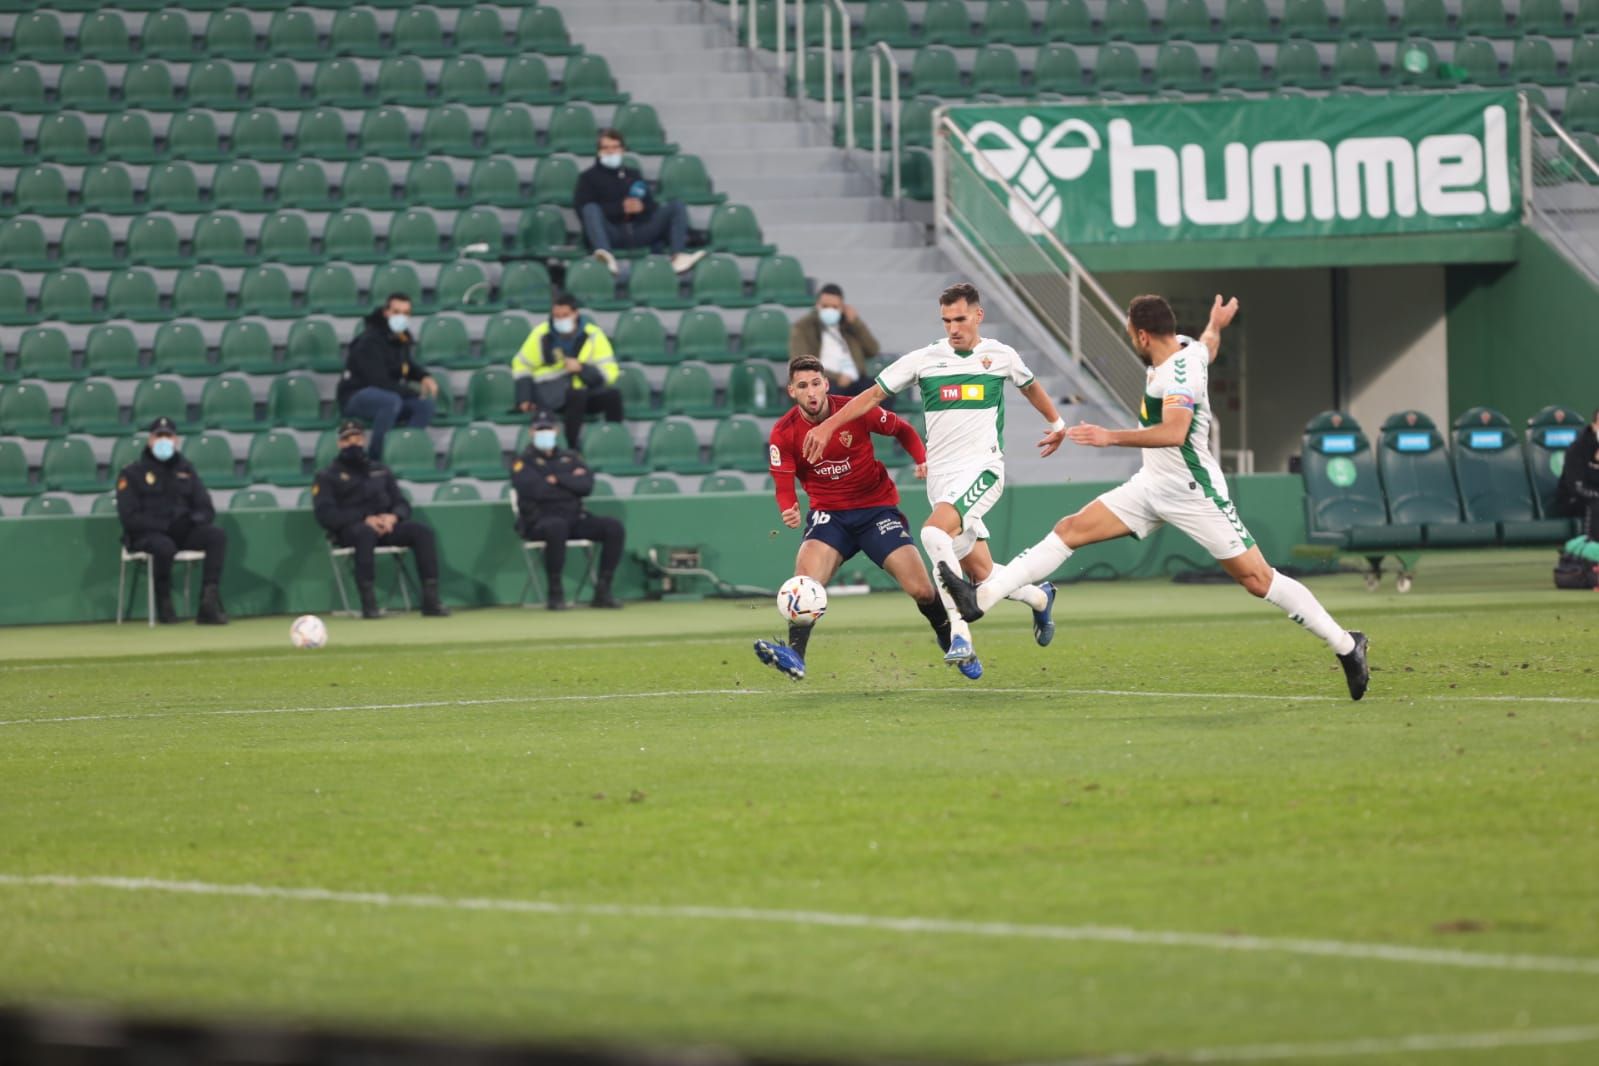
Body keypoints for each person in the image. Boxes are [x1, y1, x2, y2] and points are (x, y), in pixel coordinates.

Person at [940, 294, 1371, 700]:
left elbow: (1174, 432)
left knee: (1258, 580)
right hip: (1150, 486)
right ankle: (982, 599)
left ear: (1143, 336)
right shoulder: (1186, 348)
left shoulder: (1177, 373)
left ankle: (1346, 644)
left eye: (1131, 337)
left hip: (1193, 493)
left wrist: (1110, 437)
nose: (1133, 344)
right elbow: (1208, 347)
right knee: (1069, 530)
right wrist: (1215, 325)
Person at [801, 282, 1064, 673]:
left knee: (932, 534)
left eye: (960, 318)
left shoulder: (1000, 356)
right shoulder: (925, 360)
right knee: (984, 572)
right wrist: (827, 427)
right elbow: (871, 396)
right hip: (941, 481)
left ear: (978, 315)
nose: (953, 327)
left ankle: (960, 634)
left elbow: (1031, 387)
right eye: (946, 320)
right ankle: (1040, 598)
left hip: (983, 470)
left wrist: (1057, 422)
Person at [756, 355, 1007, 681]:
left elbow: (902, 430)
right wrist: (788, 506)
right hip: (829, 517)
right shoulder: (784, 432)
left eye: (816, 383)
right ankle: (795, 656)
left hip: (876, 511)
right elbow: (783, 484)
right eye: (803, 386)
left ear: (826, 384)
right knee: (804, 582)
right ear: (792, 391)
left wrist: (921, 459)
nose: (811, 392)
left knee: (921, 590)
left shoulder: (854, 410)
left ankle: (951, 640)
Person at [312, 420, 450, 620]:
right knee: (365, 533)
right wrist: (364, 519)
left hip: (385, 528)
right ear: (339, 444)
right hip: (351, 531)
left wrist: (393, 516)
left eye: (357, 437)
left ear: (364, 439)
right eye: (347, 439)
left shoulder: (380, 470)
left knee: (422, 532)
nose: (353, 442)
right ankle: (369, 605)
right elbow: (326, 515)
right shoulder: (326, 475)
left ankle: (431, 600)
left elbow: (402, 503)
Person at [115, 416, 228, 625]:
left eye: (168, 436)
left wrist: (192, 521)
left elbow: (205, 508)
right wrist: (164, 525)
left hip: (182, 530)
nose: (164, 440)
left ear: (176, 440)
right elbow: (129, 517)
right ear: (150, 440)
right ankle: (164, 603)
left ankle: (208, 603)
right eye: (159, 436)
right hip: (148, 534)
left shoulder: (186, 470)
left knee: (216, 536)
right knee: (164, 546)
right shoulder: (132, 473)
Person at [510, 411, 625, 610]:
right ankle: (555, 591)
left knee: (613, 527)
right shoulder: (523, 462)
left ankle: (603, 589)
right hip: (539, 521)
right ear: (531, 432)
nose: (544, 432)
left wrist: (558, 479)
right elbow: (536, 490)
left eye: (548, 428)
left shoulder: (570, 457)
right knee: (557, 526)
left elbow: (586, 485)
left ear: (557, 430)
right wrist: (569, 484)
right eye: (540, 429)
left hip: (575, 519)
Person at [574, 128, 705, 277]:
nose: (611, 152)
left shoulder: (633, 174)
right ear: (599, 151)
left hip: (639, 230)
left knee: (676, 206)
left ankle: (677, 256)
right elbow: (583, 210)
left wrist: (642, 207)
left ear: (622, 150)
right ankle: (606, 257)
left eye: (615, 147)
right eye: (606, 148)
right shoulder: (587, 177)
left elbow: (651, 205)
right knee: (590, 209)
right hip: (612, 233)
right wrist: (620, 208)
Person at [511, 292, 624, 448]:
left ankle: (615, 442)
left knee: (612, 396)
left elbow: (608, 373)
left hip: (583, 390)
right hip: (549, 391)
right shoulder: (542, 334)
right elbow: (522, 364)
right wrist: (524, 397)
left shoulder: (593, 335)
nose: (560, 319)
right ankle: (572, 448)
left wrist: (581, 368)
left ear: (575, 313)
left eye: (565, 315)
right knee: (576, 395)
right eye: (556, 315)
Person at [335, 293, 439, 461]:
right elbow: (379, 381)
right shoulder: (369, 342)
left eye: (406, 313)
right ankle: (376, 458)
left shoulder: (401, 338)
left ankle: (405, 451)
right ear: (386, 312)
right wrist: (412, 392)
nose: (401, 317)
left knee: (424, 405)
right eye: (396, 311)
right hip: (355, 395)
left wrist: (424, 377)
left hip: (388, 394)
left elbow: (406, 366)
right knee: (390, 400)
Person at [788, 283, 881, 397]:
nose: (830, 311)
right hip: (823, 381)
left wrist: (856, 323)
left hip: (855, 381)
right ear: (817, 305)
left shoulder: (848, 325)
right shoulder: (804, 327)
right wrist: (837, 377)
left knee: (881, 392)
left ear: (842, 308)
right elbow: (801, 363)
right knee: (829, 395)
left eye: (834, 307)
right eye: (825, 306)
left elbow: (873, 350)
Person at [1557, 407, 1599, 529]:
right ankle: (1591, 542)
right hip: (1573, 499)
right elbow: (1576, 487)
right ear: (1594, 426)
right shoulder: (1577, 448)